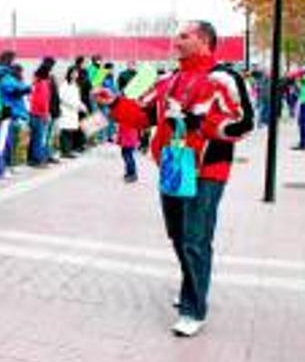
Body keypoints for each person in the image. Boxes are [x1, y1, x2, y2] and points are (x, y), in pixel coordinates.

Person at [95, 20, 253, 337]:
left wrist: (200, 122)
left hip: (207, 170)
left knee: (196, 239)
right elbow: (143, 115)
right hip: (172, 165)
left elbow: (244, 122)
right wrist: (113, 102)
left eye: (184, 36)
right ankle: (190, 288)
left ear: (204, 41)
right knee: (179, 236)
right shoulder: (168, 80)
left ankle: (194, 308)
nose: (175, 40)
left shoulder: (224, 78)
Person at [27, 62, 52, 167]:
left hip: (34, 113)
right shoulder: (43, 84)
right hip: (39, 114)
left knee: (35, 138)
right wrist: (46, 114)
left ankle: (33, 158)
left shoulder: (37, 83)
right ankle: (37, 159)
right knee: (39, 138)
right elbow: (43, 101)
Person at [58, 66, 86, 158]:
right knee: (66, 131)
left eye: (76, 73)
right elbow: (62, 98)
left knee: (70, 131)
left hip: (73, 111)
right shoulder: (64, 85)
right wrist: (75, 105)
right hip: (66, 111)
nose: (75, 75)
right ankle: (65, 151)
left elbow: (77, 99)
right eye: (73, 73)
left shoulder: (75, 85)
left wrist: (82, 105)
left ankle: (68, 150)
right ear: (69, 73)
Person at [292, 66, 305, 150]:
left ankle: (304, 143)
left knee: (302, 123)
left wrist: (301, 71)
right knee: (304, 122)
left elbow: (295, 76)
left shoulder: (304, 79)